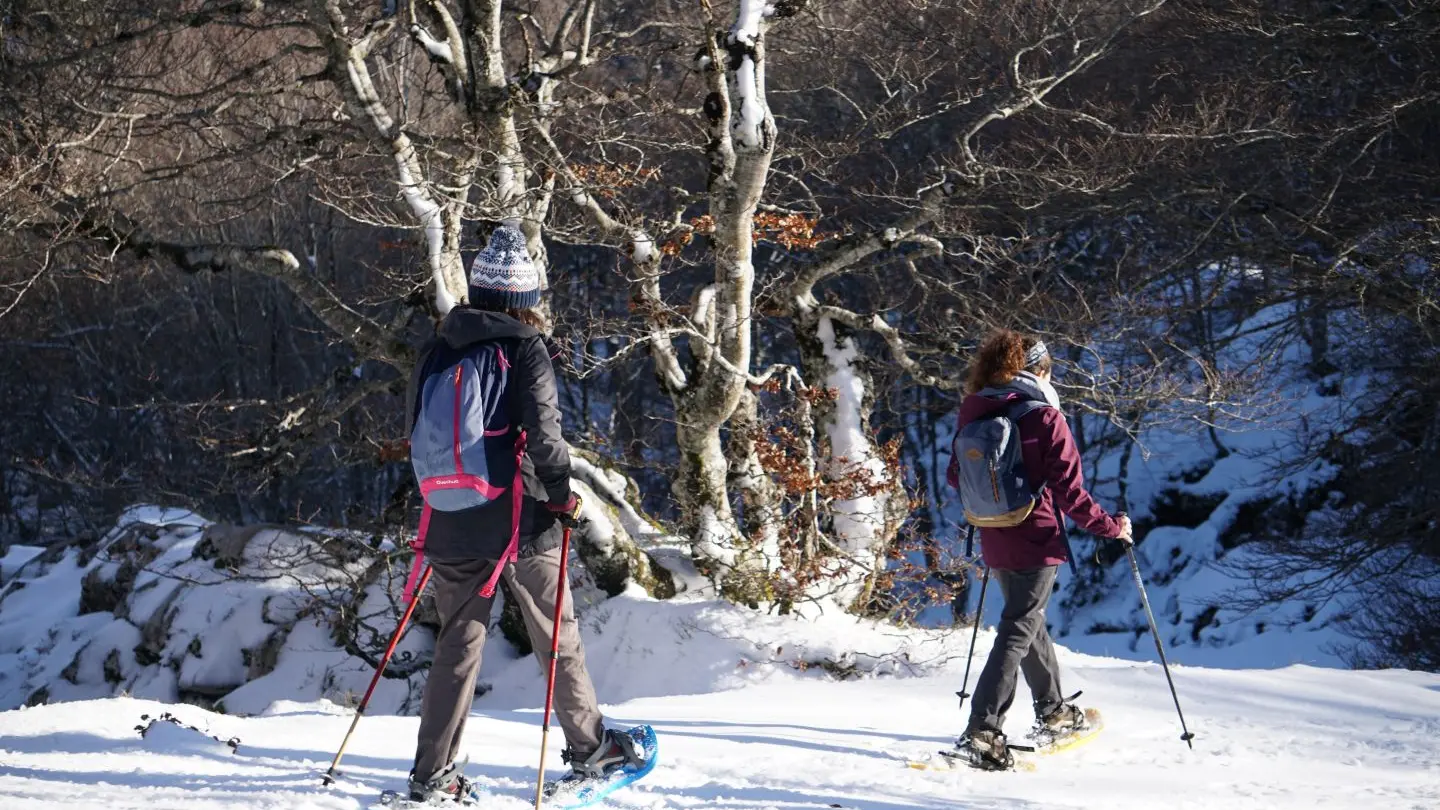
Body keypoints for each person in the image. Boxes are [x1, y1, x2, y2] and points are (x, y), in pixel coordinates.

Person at [403, 224, 644, 803]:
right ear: (524, 298)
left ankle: (431, 775)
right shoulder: (523, 348)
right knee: (555, 636)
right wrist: (561, 498)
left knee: (457, 644)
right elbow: (544, 437)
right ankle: (590, 751)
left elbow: (416, 433)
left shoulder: (437, 347)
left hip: (448, 517)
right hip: (520, 521)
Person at [945, 329, 1133, 770]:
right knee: (1019, 627)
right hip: (1036, 535)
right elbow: (1070, 492)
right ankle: (983, 731)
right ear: (1040, 370)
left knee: (1027, 623)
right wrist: (1111, 527)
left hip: (993, 531)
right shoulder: (1046, 418)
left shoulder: (975, 409)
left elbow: (956, 477)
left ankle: (1054, 714)